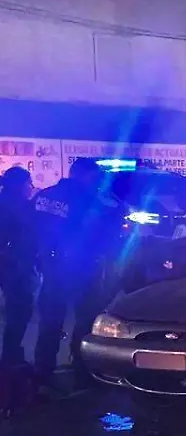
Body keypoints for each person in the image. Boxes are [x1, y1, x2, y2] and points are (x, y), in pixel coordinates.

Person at [32, 157, 126, 388]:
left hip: (51, 266)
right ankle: (81, 369)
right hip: (81, 266)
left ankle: (42, 371)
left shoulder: (45, 194)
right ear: (84, 175)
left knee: (50, 321)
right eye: (93, 178)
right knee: (85, 319)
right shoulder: (88, 198)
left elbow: (31, 227)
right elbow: (104, 227)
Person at [0, 166, 36, 366]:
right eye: (28, 183)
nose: (31, 187)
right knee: (20, 310)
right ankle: (10, 357)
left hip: (12, 262)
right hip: (15, 264)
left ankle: (12, 355)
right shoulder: (20, 207)